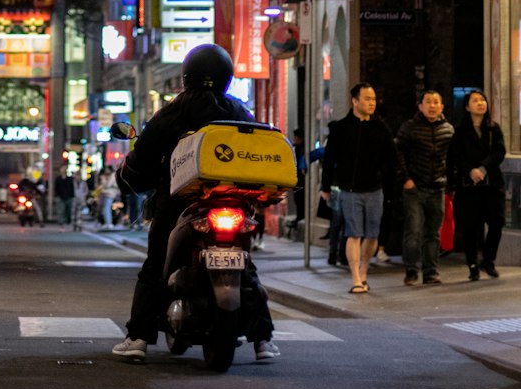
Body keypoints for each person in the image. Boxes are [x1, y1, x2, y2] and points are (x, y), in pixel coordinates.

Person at [112, 43, 278, 365]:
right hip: (234, 201)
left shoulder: (171, 113)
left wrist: (130, 177)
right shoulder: (239, 112)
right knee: (246, 265)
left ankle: (139, 338)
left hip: (178, 205)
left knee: (155, 267)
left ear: (186, 75)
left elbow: (141, 162)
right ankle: (262, 341)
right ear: (227, 77)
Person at [319, 83, 397, 295]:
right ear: (355, 101)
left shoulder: (381, 129)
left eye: (373, 99)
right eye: (367, 99)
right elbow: (329, 160)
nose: (372, 103)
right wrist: (325, 186)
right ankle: (355, 277)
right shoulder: (341, 128)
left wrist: (382, 176)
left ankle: (364, 271)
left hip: (374, 189)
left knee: (372, 235)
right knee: (354, 233)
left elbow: (391, 159)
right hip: (349, 190)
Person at [395, 89, 454, 287]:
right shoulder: (409, 128)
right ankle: (412, 270)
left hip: (438, 187)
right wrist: (406, 178)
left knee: (433, 233)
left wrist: (450, 183)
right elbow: (398, 153)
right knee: (413, 231)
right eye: (428, 102)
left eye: (436, 102)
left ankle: (431, 272)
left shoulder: (448, 129)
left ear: (442, 106)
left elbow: (453, 160)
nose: (432, 106)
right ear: (420, 106)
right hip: (414, 188)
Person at [448, 90, 506, 282]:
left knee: (496, 223)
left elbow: (499, 152)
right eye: (475, 100)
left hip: (491, 183)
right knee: (470, 226)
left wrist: (483, 167)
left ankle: (488, 260)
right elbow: (456, 157)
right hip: (469, 185)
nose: (481, 103)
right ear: (467, 107)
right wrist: (470, 171)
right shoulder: (460, 132)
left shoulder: (493, 128)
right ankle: (472, 264)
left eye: (482, 100)